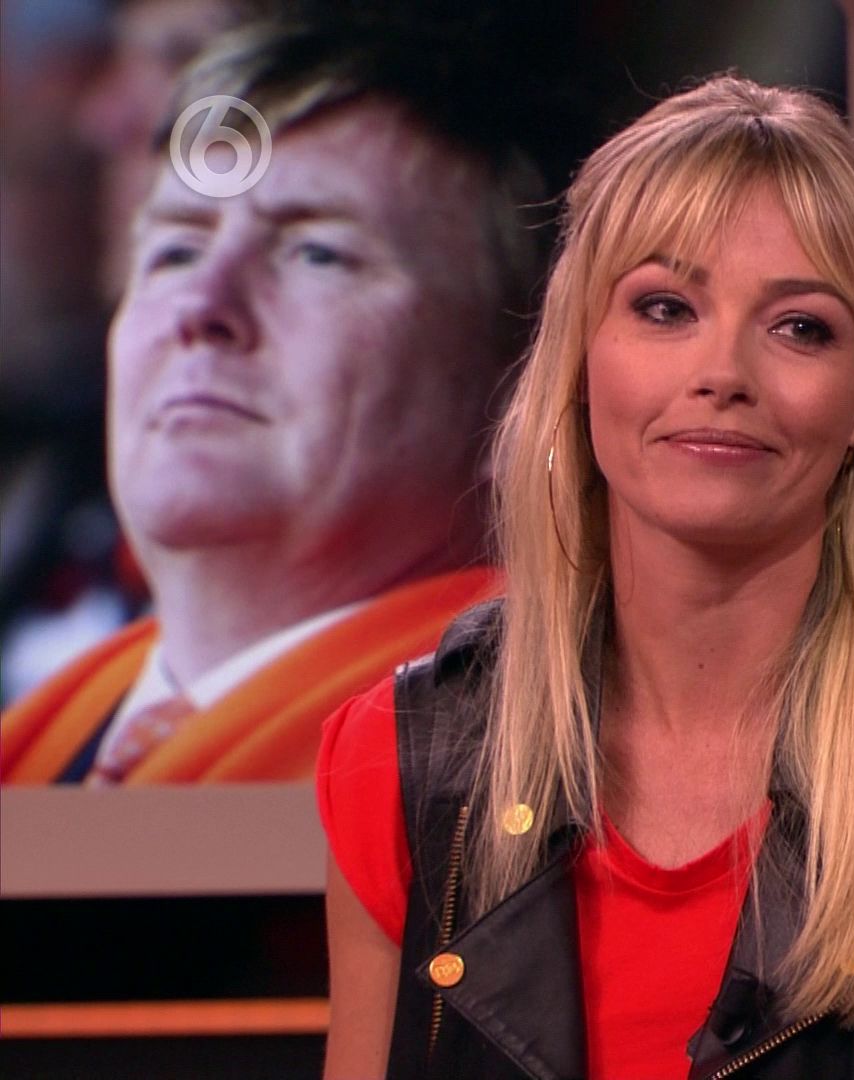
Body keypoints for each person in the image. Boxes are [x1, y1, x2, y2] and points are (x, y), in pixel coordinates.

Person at [318, 76, 854, 1079]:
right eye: (666, 307)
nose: (723, 372)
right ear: (581, 363)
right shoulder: (405, 762)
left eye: (800, 326)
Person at [0, 17, 590, 783]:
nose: (201, 306)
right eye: (176, 251)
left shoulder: (531, 769)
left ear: (525, 395)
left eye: (319, 253)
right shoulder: (57, 730)